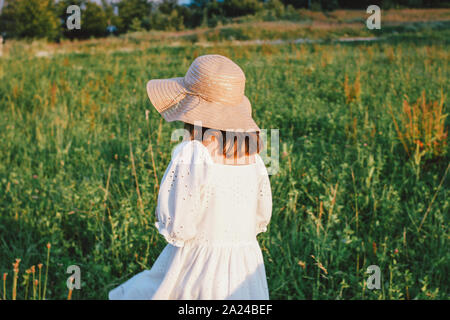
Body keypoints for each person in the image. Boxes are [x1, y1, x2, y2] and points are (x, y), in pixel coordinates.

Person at [109, 54, 272, 300]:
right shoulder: (254, 159)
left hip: (199, 267)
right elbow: (261, 216)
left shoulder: (194, 154)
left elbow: (180, 227)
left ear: (191, 108)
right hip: (245, 266)